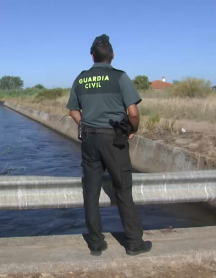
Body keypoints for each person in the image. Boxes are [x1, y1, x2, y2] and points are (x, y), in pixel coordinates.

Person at [66, 34, 152, 256]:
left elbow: (73, 111)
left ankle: (96, 244)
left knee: (91, 192)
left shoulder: (81, 78)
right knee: (123, 190)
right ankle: (134, 243)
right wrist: (131, 129)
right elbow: (133, 112)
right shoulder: (120, 77)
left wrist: (84, 124)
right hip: (114, 140)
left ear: (92, 56)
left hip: (89, 141)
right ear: (112, 56)